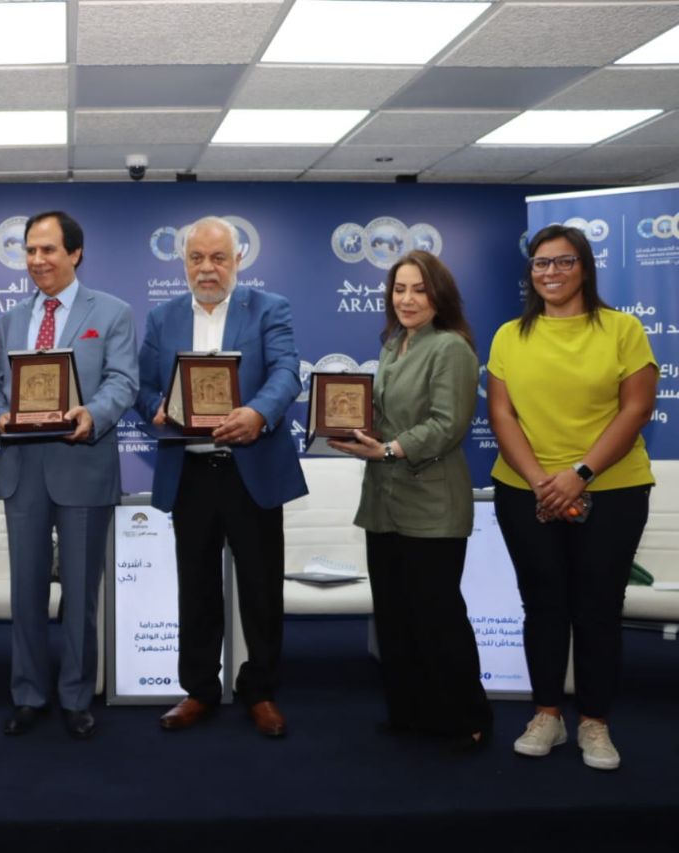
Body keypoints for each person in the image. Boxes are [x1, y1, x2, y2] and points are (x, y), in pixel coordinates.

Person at [488, 224, 656, 771]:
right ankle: (546, 715)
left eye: (564, 262)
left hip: (613, 488)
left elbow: (636, 409)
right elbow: (502, 415)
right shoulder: (509, 335)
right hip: (526, 490)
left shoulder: (623, 329)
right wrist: (543, 481)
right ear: (530, 272)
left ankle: (594, 722)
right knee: (543, 605)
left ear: (584, 268)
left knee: (599, 608)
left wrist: (579, 474)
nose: (551, 272)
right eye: (541, 263)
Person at [136, 216, 306, 737]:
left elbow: (286, 372)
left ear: (238, 260)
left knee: (261, 589)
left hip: (250, 470)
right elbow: (142, 388)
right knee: (196, 587)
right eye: (196, 258)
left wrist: (257, 413)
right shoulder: (162, 317)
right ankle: (199, 691)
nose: (207, 269)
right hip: (191, 472)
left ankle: (261, 691)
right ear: (183, 263)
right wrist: (156, 408)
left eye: (218, 258)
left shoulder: (268, 308)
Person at [327, 250, 492, 751]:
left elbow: (448, 424)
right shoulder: (393, 345)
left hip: (432, 505)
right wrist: (361, 436)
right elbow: (388, 420)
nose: (407, 299)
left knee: (437, 617)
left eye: (419, 289)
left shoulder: (451, 348)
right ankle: (412, 713)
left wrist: (388, 449)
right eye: (399, 289)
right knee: (396, 617)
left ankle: (465, 718)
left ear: (439, 295)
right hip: (384, 502)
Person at [0, 210, 137, 739]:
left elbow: (123, 380)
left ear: (75, 253)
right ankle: (28, 694)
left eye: (48, 249)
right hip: (23, 469)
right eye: (29, 250)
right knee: (25, 592)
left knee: (80, 594)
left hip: (84, 466)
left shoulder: (112, 312)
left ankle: (76, 696)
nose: (37, 260)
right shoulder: (8, 319)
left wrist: (92, 414)